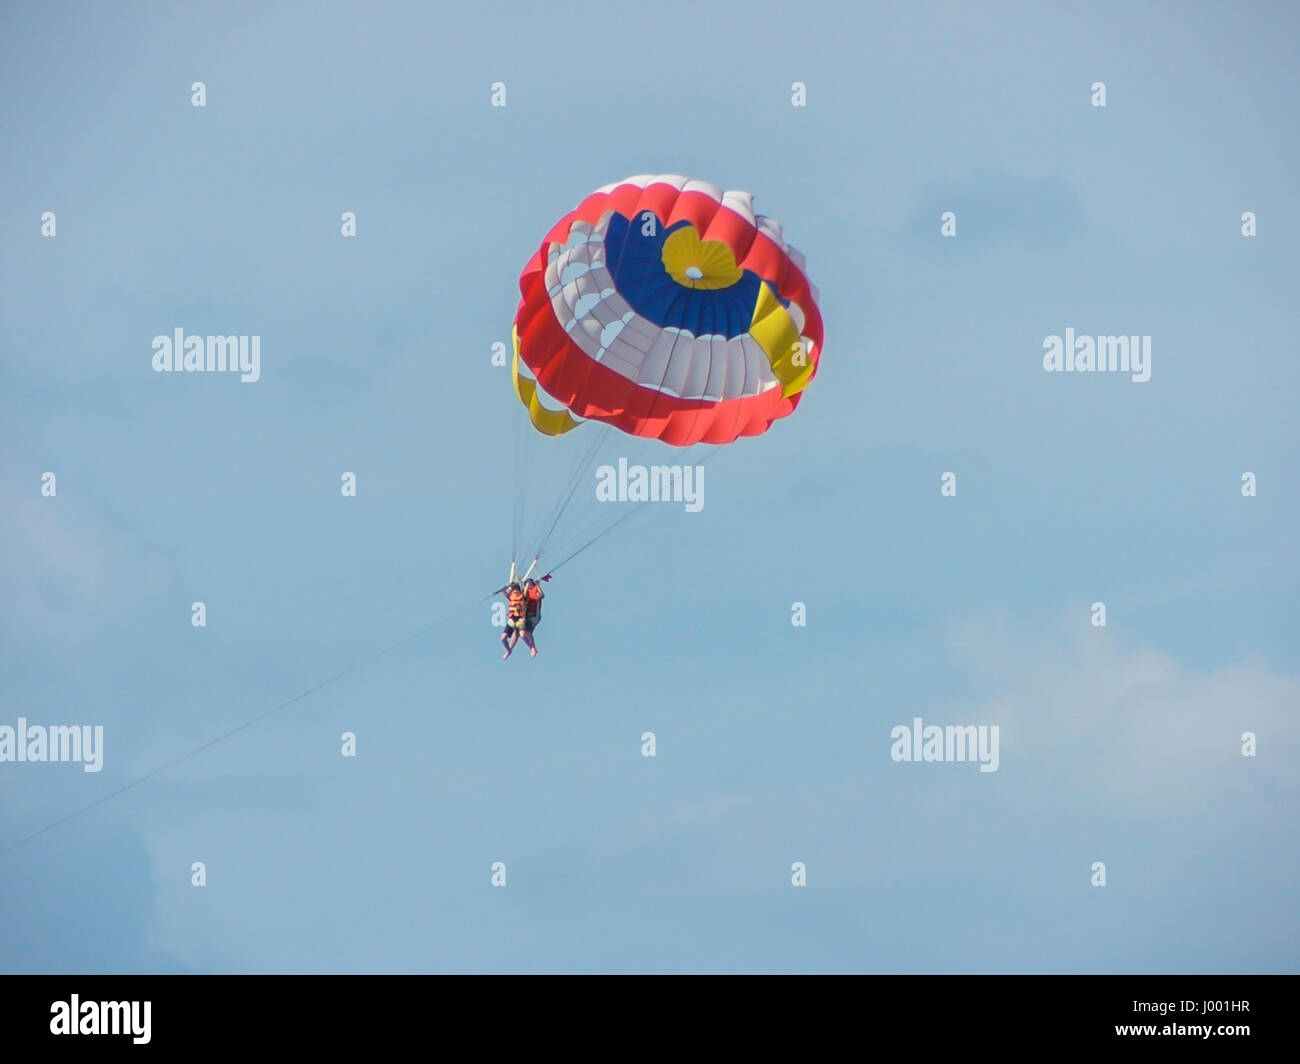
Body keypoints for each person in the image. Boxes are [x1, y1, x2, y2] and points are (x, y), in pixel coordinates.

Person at [520, 578, 544, 657]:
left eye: (530, 583)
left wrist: (538, 585)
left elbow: (542, 596)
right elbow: (523, 597)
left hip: (534, 614)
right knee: (523, 634)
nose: (529, 585)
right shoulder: (525, 591)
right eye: (527, 584)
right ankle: (531, 647)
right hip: (526, 615)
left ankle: (533, 647)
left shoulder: (535, 589)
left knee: (528, 632)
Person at [501, 582, 525, 659]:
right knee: (503, 638)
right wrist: (505, 588)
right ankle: (508, 650)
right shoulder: (511, 596)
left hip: (520, 619)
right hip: (511, 620)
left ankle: (509, 650)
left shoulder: (523, 596)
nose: (515, 593)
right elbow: (505, 593)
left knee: (517, 633)